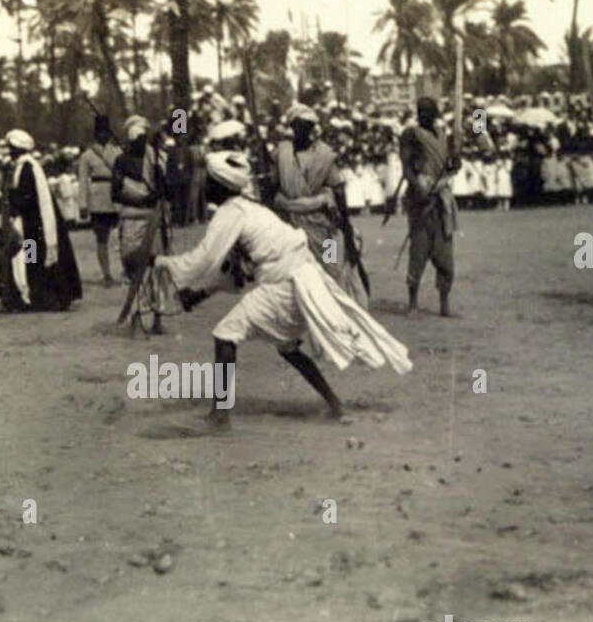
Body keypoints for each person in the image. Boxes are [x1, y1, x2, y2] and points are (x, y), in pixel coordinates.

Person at [146, 152, 412, 433]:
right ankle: (334, 403)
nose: (204, 186)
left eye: (209, 181)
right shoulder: (250, 208)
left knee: (225, 334)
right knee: (287, 347)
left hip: (287, 282)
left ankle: (219, 416)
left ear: (220, 185)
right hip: (302, 278)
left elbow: (203, 260)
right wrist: (196, 295)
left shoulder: (231, 213)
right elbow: (234, 274)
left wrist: (159, 262)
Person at [271, 104, 368, 306]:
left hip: (325, 228)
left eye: (307, 126)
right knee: (292, 276)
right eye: (299, 126)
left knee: (332, 269)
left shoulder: (324, 155)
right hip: (291, 226)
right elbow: (272, 189)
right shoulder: (281, 154)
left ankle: (338, 310)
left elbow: (338, 190)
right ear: (292, 126)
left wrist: (346, 227)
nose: (303, 131)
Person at [0, 129, 82, 312]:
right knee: (26, 260)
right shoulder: (19, 167)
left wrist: (11, 203)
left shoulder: (28, 168)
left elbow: (27, 197)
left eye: (11, 148)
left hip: (32, 228)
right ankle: (27, 295)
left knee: (31, 259)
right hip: (26, 224)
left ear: (19, 149)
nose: (9, 152)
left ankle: (35, 296)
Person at [399, 96, 458, 317]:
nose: (424, 115)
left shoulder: (444, 135)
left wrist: (454, 163)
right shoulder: (410, 135)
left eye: (428, 111)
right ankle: (413, 303)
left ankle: (444, 304)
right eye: (421, 111)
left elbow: (451, 163)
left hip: (442, 198)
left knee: (445, 254)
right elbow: (406, 169)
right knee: (419, 251)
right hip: (420, 199)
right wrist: (419, 187)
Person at [112, 115, 167, 333]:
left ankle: (157, 316)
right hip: (131, 220)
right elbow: (115, 193)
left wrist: (156, 193)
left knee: (156, 268)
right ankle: (137, 313)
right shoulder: (121, 161)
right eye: (137, 141)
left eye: (143, 140)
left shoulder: (156, 160)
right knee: (133, 268)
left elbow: (165, 189)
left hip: (153, 221)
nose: (141, 145)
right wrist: (140, 198)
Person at [77, 115, 120, 286]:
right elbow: (82, 181)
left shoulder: (117, 152)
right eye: (99, 133)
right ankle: (107, 273)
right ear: (95, 135)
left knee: (123, 237)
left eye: (105, 133)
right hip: (97, 201)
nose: (103, 136)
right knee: (101, 238)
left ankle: (126, 269)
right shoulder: (87, 155)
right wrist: (83, 204)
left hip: (116, 198)